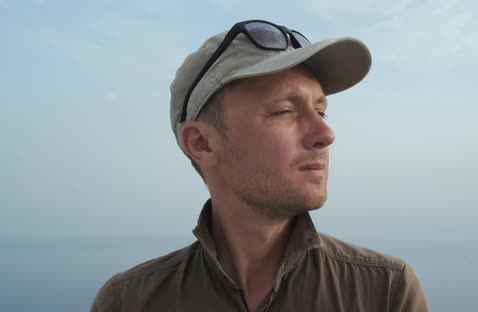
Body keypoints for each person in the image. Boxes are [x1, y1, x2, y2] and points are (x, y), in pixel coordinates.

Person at [91, 19, 428, 312]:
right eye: (284, 111)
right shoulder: (129, 301)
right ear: (201, 143)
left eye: (321, 111)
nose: (326, 133)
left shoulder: (384, 291)